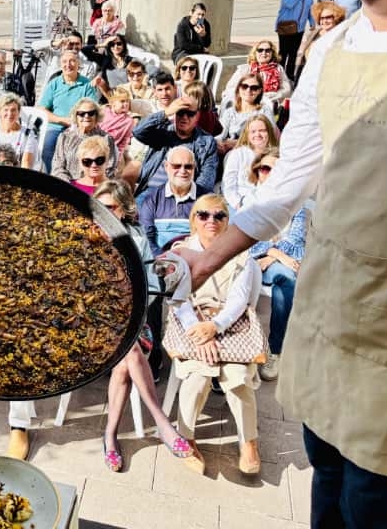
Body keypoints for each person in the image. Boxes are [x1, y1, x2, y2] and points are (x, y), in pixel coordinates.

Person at [176, 0, 387, 527]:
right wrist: (202, 258)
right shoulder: (330, 49)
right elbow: (287, 185)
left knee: (371, 500)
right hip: (327, 299)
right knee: (325, 470)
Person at [93, 180, 194, 473]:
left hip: (133, 323)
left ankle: (110, 435)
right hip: (90, 330)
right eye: (98, 207)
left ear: (123, 210)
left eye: (110, 207)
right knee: (130, 352)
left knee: (128, 354)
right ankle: (162, 422)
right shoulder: (82, 239)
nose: (103, 213)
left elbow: (148, 288)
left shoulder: (136, 240)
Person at [169, 194, 263, 477]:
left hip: (228, 323)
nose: (211, 220)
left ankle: (249, 441)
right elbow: (178, 299)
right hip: (191, 323)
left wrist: (216, 327)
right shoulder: (181, 252)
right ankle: (186, 436)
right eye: (204, 215)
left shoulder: (241, 256)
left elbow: (239, 300)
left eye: (219, 216)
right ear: (193, 219)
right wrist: (202, 333)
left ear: (227, 221)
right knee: (198, 375)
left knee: (237, 377)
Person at [245, 149, 310, 383]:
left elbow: (295, 243)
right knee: (286, 272)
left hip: (279, 264)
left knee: (286, 277)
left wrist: (272, 254)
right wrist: (272, 251)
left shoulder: (297, 205)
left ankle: (275, 350)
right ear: (257, 173)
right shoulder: (249, 201)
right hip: (251, 263)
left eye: (275, 170)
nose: (269, 174)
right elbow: (245, 241)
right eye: (264, 169)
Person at [133, 94, 218, 198]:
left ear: (197, 116)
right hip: (151, 192)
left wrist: (188, 199)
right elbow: (138, 131)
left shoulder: (207, 142)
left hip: (183, 196)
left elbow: (206, 180)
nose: (185, 117)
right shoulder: (163, 131)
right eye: (181, 112)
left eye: (190, 114)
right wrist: (166, 113)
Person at [138, 146, 208, 255]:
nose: (182, 171)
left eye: (188, 166)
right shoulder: (152, 198)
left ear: (194, 167)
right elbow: (146, 236)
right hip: (159, 261)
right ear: (166, 166)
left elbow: (212, 237)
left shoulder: (206, 198)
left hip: (195, 259)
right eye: (176, 166)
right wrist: (162, 259)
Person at [37, 48, 99, 171]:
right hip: (55, 127)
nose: (68, 65)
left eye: (72, 61)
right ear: (61, 64)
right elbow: (41, 109)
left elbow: (92, 110)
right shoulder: (54, 84)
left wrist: (77, 123)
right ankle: (54, 178)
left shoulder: (87, 85)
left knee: (77, 153)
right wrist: (62, 120)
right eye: (65, 61)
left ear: (78, 64)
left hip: (79, 128)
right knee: (46, 148)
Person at [50, 97, 119, 183]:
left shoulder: (106, 139)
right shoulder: (65, 137)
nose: (86, 116)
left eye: (91, 113)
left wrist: (89, 183)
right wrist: (70, 185)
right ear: (76, 116)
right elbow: (57, 166)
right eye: (82, 113)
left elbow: (111, 168)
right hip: (68, 185)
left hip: (96, 186)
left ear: (97, 116)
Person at [220, 114, 279, 211]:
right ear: (247, 134)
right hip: (240, 203)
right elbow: (228, 186)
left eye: (262, 131)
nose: (257, 134)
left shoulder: (277, 155)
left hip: (269, 205)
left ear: (269, 132)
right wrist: (238, 204)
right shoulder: (238, 154)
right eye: (253, 132)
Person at [222, 41, 292, 109]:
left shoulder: (278, 68)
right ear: (255, 53)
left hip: (270, 103)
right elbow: (230, 88)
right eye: (260, 50)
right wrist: (248, 95)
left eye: (268, 50)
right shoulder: (245, 69)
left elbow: (286, 89)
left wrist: (274, 95)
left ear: (272, 53)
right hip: (246, 103)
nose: (264, 53)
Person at [216, 73, 275, 153]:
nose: (248, 90)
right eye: (244, 86)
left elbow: (270, 138)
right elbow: (220, 136)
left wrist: (237, 143)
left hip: (256, 151)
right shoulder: (230, 112)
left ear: (259, 91)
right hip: (230, 152)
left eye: (254, 88)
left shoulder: (264, 110)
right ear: (239, 89)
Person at [294, 1, 346, 86]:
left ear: (336, 18)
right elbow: (301, 57)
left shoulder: (342, 35)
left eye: (328, 17)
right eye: (322, 18)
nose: (324, 21)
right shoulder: (312, 34)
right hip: (310, 78)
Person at [0, 93, 39, 170]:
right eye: (6, 110)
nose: (10, 114)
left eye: (13, 110)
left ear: (19, 113)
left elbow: (26, 162)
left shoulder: (27, 134)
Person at [275, 0, 315, 80]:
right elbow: (288, 4)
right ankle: (279, 75)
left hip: (299, 28)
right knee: (284, 52)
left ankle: (290, 75)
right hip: (285, 27)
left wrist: (312, 22)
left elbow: (310, 10)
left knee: (293, 53)